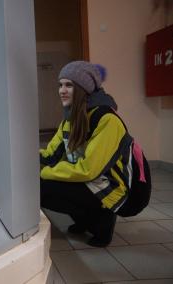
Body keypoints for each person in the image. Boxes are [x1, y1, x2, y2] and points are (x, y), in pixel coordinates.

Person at [40, 61, 132, 247]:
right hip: (87, 181)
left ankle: (104, 220)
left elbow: (88, 170)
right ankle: (85, 218)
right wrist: (26, 158)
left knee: (43, 188)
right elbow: (51, 155)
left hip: (108, 187)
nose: (62, 90)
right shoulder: (70, 119)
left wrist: (43, 173)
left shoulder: (107, 119)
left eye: (69, 85)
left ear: (84, 89)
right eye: (60, 85)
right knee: (40, 186)